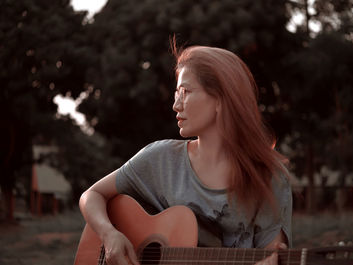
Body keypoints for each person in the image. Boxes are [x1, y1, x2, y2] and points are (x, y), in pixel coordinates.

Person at [79, 44, 292, 265]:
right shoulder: (160, 159)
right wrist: (109, 234)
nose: (175, 105)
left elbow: (272, 255)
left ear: (221, 98)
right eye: (176, 93)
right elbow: (91, 195)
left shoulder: (270, 176)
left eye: (185, 92)